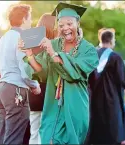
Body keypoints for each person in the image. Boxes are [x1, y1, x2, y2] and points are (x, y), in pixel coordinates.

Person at [18, 2, 99, 144]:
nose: (65, 28)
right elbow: (41, 70)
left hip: (75, 106)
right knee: (48, 137)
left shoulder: (88, 50)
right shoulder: (54, 43)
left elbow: (75, 73)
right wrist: (29, 54)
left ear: (78, 23)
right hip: (53, 104)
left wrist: (53, 53)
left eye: (69, 24)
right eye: (61, 25)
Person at [0, 4, 41, 144]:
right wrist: (34, 85)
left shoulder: (3, 38)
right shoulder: (22, 37)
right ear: (23, 19)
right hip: (16, 88)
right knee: (14, 137)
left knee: (3, 134)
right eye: (30, 18)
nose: (30, 22)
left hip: (2, 88)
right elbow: (24, 68)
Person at [88, 29, 125, 144]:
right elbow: (122, 80)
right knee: (111, 131)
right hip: (111, 100)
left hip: (94, 99)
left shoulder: (92, 55)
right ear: (111, 41)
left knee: (96, 131)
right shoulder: (115, 57)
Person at [27, 13, 58, 144]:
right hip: (47, 93)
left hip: (32, 93)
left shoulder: (31, 44)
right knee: (48, 133)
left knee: (34, 133)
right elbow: (44, 72)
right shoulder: (49, 46)